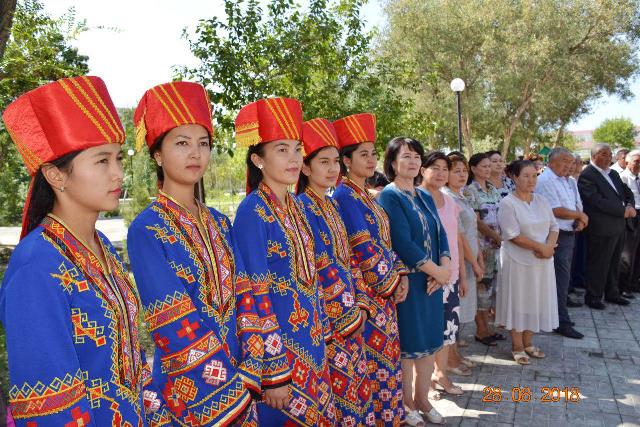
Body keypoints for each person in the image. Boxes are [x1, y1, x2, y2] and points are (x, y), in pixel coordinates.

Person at [0, 76, 149, 425]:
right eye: (101, 161)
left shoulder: (104, 248)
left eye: (118, 158)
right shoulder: (37, 266)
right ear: (56, 175)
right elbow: (51, 403)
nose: (118, 174)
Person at [127, 82, 264, 425]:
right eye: (182, 143)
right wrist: (229, 389)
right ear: (157, 154)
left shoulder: (219, 222)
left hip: (242, 379)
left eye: (203, 144)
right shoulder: (146, 230)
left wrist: (252, 366)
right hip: (185, 391)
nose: (196, 154)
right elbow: (172, 321)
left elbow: (245, 292)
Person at [232, 98, 335, 426]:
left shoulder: (298, 207)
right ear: (257, 159)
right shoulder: (251, 212)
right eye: (281, 150)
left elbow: (313, 277)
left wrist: (324, 336)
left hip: (312, 343)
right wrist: (274, 371)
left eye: (296, 148)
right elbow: (254, 295)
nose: (293, 158)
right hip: (281, 355)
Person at [332, 114, 409, 427]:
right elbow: (363, 248)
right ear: (346, 160)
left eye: (373, 154)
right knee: (373, 366)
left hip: (385, 292)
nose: (371, 159)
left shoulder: (368, 196)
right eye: (363, 154)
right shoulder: (344, 196)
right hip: (368, 295)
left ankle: (390, 418)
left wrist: (400, 274)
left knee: (388, 362)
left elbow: (384, 243)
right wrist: (391, 280)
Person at [297, 118, 374, 426]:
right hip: (331, 320)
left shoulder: (331, 205)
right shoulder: (302, 206)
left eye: (334, 162)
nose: (332, 169)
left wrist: (362, 302)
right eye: (323, 162)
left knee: (357, 388)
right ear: (305, 168)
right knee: (340, 394)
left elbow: (349, 260)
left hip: (352, 313)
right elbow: (322, 264)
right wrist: (348, 313)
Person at [378, 138, 448, 426]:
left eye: (417, 156)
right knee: (408, 348)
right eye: (406, 156)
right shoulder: (389, 196)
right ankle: (405, 404)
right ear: (393, 162)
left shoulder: (425, 195)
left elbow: (440, 233)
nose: (413, 162)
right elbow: (402, 242)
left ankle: (423, 400)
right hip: (410, 282)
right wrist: (436, 271)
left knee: (430, 345)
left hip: (432, 281)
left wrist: (445, 267)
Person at [496, 160, 559, 365]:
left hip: (543, 261)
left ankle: (529, 342)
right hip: (517, 261)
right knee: (519, 300)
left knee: (536, 300)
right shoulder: (507, 203)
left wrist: (549, 246)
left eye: (534, 175)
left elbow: (554, 226)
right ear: (514, 177)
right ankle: (517, 346)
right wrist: (541, 248)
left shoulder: (541, 200)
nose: (531, 180)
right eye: (526, 175)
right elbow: (513, 235)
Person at [418, 151, 469, 394]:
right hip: (427, 277)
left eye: (444, 169)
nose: (440, 173)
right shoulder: (415, 198)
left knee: (448, 331)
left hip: (451, 276)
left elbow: (456, 239)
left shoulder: (450, 201)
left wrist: (461, 276)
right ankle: (424, 383)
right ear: (422, 170)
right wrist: (435, 272)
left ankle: (442, 376)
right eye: (434, 167)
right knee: (427, 332)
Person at [535, 147, 586, 339]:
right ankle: (559, 321)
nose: (569, 165)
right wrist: (580, 215)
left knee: (562, 278)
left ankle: (558, 316)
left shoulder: (569, 181)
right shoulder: (545, 179)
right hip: (554, 235)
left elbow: (576, 204)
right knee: (559, 279)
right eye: (565, 161)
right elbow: (555, 210)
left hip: (569, 233)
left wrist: (580, 218)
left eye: (571, 161)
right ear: (551, 161)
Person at [578, 143, 636, 309]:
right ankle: (593, 296)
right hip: (601, 228)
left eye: (610, 154)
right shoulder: (588, 174)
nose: (608, 157)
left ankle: (612, 293)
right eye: (604, 154)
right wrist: (622, 211)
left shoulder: (613, 174)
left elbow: (627, 192)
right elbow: (595, 201)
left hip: (618, 226)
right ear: (594, 156)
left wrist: (630, 206)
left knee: (614, 262)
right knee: (599, 263)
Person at [443, 152, 482, 368]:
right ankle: (450, 360)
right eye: (456, 171)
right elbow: (459, 237)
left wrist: (479, 259)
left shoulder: (462, 195)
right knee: (454, 313)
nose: (461, 174)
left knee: (461, 311)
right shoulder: (446, 196)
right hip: (459, 261)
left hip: (470, 259)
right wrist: (473, 263)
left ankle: (455, 355)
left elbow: (472, 230)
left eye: (464, 170)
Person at [466, 153, 503, 346]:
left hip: (497, 247)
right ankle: (481, 330)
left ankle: (488, 328)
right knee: (482, 290)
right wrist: (496, 237)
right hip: (483, 247)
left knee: (491, 290)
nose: (488, 169)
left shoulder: (493, 189)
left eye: (490, 166)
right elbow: (477, 222)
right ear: (473, 168)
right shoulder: (470, 191)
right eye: (484, 166)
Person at [619, 149, 640, 296]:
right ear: (627, 162)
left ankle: (634, 283)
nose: (639, 164)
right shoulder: (622, 178)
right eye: (636, 161)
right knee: (628, 254)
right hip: (631, 217)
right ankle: (623, 286)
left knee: (638, 253)